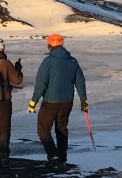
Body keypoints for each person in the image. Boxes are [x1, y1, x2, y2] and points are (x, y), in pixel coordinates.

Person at [28, 34, 87, 165]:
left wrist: (33, 102)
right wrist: (84, 101)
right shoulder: (72, 61)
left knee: (43, 130)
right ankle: (62, 157)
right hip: (67, 103)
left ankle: (54, 156)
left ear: (50, 45)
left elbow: (41, 84)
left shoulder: (48, 62)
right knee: (61, 129)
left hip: (50, 103)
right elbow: (80, 82)